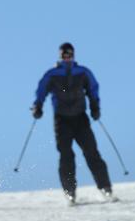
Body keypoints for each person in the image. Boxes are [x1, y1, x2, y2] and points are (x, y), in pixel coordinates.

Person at [31, 42, 114, 204]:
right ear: (60, 56)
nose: (67, 57)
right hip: (62, 120)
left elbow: (93, 88)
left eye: (69, 54)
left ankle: (106, 188)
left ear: (74, 55)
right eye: (64, 55)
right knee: (66, 155)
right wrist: (38, 106)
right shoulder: (53, 74)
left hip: (80, 118)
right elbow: (41, 90)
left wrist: (95, 106)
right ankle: (70, 191)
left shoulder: (82, 72)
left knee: (92, 152)